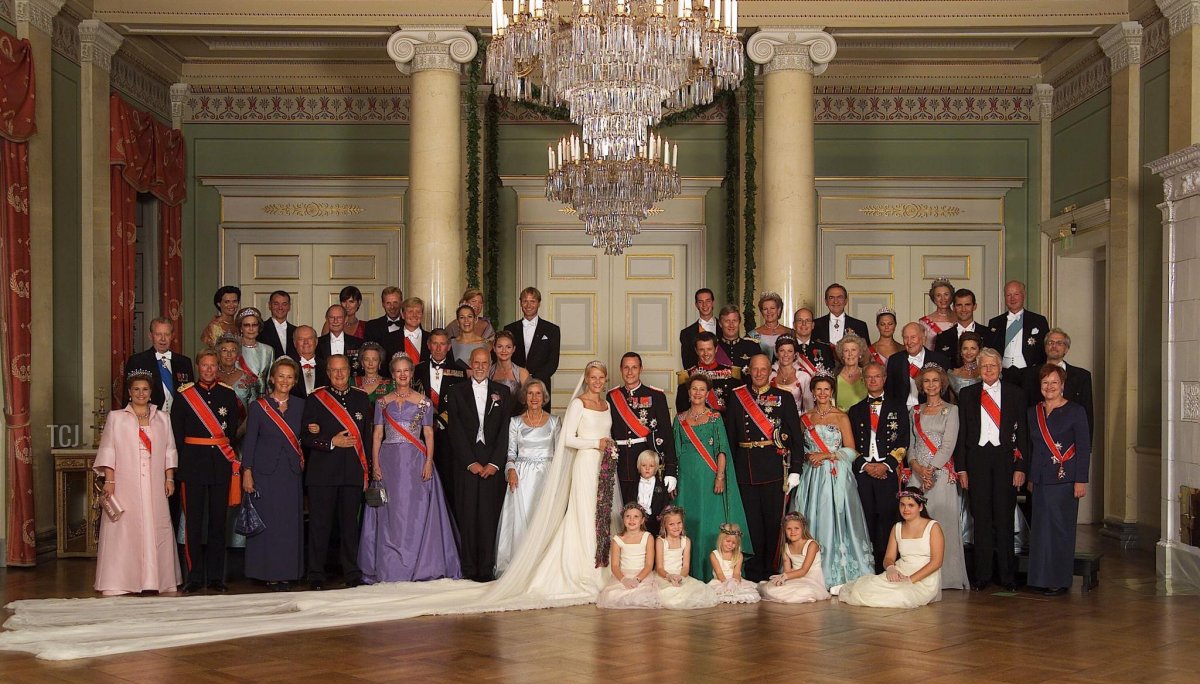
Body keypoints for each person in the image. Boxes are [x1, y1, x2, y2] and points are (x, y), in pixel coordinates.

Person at [359, 355, 461, 583]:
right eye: (398, 371)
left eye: (406, 371)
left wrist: (428, 462)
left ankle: (419, 563)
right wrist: (375, 464)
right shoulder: (382, 402)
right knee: (391, 513)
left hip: (416, 461)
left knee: (415, 513)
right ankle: (390, 566)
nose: (402, 375)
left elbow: (429, 434)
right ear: (392, 375)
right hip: (389, 461)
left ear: (412, 373)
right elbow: (377, 434)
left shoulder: (424, 402)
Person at [93, 369, 182, 596]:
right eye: (136, 390)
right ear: (129, 393)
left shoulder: (162, 418)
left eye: (144, 389)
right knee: (124, 528)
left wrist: (169, 477)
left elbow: (170, 450)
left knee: (157, 526)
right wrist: (109, 480)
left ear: (151, 392)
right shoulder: (116, 418)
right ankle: (120, 581)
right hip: (125, 481)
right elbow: (108, 450)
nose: (140, 394)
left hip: (154, 481)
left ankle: (155, 580)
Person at [957, 348, 1029, 592]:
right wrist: (962, 469)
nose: (988, 370)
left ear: (1000, 368)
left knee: (1004, 517)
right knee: (982, 519)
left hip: (1005, 460)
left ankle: (1008, 575)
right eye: (984, 366)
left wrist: (1020, 467)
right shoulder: (967, 394)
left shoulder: (1015, 394)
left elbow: (1024, 435)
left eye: (993, 366)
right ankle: (983, 575)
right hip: (977, 459)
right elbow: (962, 435)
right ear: (978, 368)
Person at [724, 354, 801, 582]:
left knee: (773, 523)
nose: (758, 374)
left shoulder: (783, 398)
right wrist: (728, 471)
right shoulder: (738, 397)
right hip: (744, 469)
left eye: (763, 369)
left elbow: (796, 438)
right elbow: (730, 438)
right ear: (749, 371)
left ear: (771, 371)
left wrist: (796, 468)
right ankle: (754, 572)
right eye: (755, 369)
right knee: (751, 524)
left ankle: (771, 569)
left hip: (773, 469)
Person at [792, 374, 874, 587]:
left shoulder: (841, 417)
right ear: (812, 392)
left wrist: (827, 455)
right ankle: (810, 568)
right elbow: (801, 448)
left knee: (834, 517)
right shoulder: (805, 418)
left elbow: (852, 450)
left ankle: (836, 571)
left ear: (832, 392)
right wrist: (810, 455)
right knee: (812, 517)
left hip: (835, 473)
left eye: (826, 390)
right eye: (818, 389)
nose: (822, 394)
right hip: (812, 475)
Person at [300, 354, 373, 590]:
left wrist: (368, 472)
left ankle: (351, 572)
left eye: (343, 370)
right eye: (334, 371)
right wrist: (331, 441)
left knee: (350, 527)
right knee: (320, 526)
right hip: (322, 474)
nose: (339, 374)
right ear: (328, 373)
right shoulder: (315, 399)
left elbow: (368, 438)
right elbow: (306, 437)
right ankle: (315, 574)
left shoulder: (362, 399)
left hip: (352, 472)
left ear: (349, 372)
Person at [171, 349, 241, 593]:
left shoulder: (228, 395)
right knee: (193, 524)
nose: (209, 369)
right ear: (198, 367)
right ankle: (194, 576)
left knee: (218, 525)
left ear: (218, 368)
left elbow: (231, 432)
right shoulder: (185, 396)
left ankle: (215, 578)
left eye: (213, 366)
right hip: (192, 467)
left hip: (220, 466)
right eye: (205, 365)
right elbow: (177, 435)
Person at [674, 373, 752, 581]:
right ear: (688, 393)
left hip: (710, 478)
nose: (697, 393)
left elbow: (722, 449)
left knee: (710, 522)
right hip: (687, 479)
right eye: (694, 389)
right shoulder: (680, 419)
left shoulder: (715, 418)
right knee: (689, 523)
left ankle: (713, 573)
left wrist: (719, 476)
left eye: (701, 389)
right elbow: (676, 451)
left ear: (707, 393)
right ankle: (689, 572)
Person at [446, 347, 512, 581]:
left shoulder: (503, 392)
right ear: (470, 364)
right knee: (467, 516)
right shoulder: (456, 392)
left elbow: (506, 431)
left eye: (485, 362)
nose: (481, 366)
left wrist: (494, 463)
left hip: (491, 465)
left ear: (490, 364)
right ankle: (468, 569)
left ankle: (486, 568)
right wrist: (470, 462)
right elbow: (454, 430)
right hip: (467, 464)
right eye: (477, 362)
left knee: (488, 516)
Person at [240, 357, 306, 590]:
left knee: (288, 524)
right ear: (272, 378)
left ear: (295, 380)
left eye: (290, 377)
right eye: (281, 376)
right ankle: (266, 572)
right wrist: (247, 472)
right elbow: (250, 442)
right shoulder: (258, 407)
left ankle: (287, 572)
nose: (285, 381)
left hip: (290, 473)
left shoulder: (301, 406)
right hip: (264, 472)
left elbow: (305, 437)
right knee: (268, 524)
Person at [1027, 364, 1091, 596]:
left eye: (1054, 382)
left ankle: (1059, 580)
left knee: (1060, 530)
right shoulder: (1033, 412)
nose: (1049, 387)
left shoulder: (1076, 411)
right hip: (1041, 479)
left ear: (1062, 385)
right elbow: (1032, 448)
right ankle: (1040, 578)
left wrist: (1081, 480)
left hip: (1065, 478)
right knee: (1041, 530)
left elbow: (1084, 448)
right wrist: (1032, 477)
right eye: (1045, 383)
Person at [908, 365, 968, 590]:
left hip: (940, 476)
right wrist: (917, 467)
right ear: (921, 385)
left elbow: (949, 445)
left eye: (935, 381)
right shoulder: (914, 411)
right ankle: (919, 575)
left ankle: (947, 577)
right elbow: (911, 445)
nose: (931, 385)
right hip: (917, 476)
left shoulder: (951, 410)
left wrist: (930, 470)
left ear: (942, 384)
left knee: (942, 524)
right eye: (927, 381)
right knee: (916, 525)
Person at [833, 488, 945, 608]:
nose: (905, 509)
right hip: (900, 571)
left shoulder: (933, 527)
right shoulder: (897, 527)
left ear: (921, 507)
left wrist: (910, 580)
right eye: (902, 505)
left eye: (911, 505)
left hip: (924, 578)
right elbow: (889, 558)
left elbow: (936, 562)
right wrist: (891, 569)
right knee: (867, 588)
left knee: (901, 595)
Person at [847, 362, 909, 572]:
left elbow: (903, 441)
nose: (873, 380)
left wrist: (887, 464)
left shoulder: (898, 407)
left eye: (877, 377)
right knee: (865, 518)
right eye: (869, 377)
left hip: (887, 472)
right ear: (863, 380)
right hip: (863, 473)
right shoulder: (855, 411)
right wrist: (864, 465)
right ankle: (868, 565)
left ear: (884, 379)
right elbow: (849, 444)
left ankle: (888, 565)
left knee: (888, 518)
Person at [495, 379, 559, 576]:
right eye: (530, 393)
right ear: (524, 397)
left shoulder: (555, 421)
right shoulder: (515, 422)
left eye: (538, 393)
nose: (534, 398)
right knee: (521, 522)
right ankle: (518, 566)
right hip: (522, 477)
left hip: (547, 475)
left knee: (544, 520)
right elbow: (510, 453)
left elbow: (559, 455)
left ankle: (542, 567)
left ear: (544, 397)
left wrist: (556, 480)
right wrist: (511, 470)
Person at [609, 352, 676, 506]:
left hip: (646, 464)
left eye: (634, 367)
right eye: (626, 367)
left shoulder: (656, 396)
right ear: (620, 369)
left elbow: (667, 434)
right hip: (620, 464)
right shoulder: (612, 397)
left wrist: (671, 470)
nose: (630, 372)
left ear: (641, 369)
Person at [414, 329, 466, 507]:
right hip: (420, 433)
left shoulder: (460, 372)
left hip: (448, 434)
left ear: (448, 347)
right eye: (434, 343)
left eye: (442, 344)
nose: (438, 348)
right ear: (428, 345)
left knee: (446, 480)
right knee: (421, 478)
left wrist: (441, 421)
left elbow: (461, 404)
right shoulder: (416, 369)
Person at [1023, 328, 1094, 435]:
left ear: (1066, 349)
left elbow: (1087, 414)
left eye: (1059, 343)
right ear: (1045, 347)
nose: (1054, 346)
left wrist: (1086, 448)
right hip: (1039, 439)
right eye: (1050, 342)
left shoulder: (1082, 376)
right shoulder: (1029, 374)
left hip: (1070, 441)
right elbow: (1025, 411)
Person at [596, 503, 660, 609]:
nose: (631, 520)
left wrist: (637, 579)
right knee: (613, 596)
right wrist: (624, 580)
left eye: (636, 516)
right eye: (627, 516)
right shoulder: (618, 539)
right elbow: (615, 566)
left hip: (642, 575)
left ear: (642, 520)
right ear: (623, 519)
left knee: (643, 595)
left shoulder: (648, 537)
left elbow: (649, 564)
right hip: (623, 575)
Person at [123, 317, 194, 413]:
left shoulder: (184, 362)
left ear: (172, 336)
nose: (163, 339)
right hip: (148, 419)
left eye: (167, 334)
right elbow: (127, 396)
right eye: (158, 334)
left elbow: (191, 396)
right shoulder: (137, 361)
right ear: (150, 336)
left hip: (178, 421)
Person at [986, 280, 1049, 386]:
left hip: (1030, 374)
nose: (1012, 298)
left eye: (1016, 294)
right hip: (1003, 374)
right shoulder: (995, 322)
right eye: (1008, 295)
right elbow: (990, 350)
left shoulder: (1038, 320)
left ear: (1023, 296)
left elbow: (1045, 350)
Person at [654, 506, 719, 609]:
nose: (676, 527)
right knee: (669, 594)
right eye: (671, 524)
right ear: (664, 525)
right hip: (664, 576)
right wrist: (670, 577)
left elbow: (685, 566)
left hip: (681, 575)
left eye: (679, 523)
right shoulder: (661, 541)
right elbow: (660, 568)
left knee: (695, 593)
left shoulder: (686, 541)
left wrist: (680, 577)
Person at [504, 286, 561, 402]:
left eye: (532, 301)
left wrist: (532, 380)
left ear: (539, 303)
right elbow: (505, 356)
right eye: (525, 301)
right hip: (514, 384)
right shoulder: (509, 329)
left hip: (541, 385)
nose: (528, 305)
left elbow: (553, 362)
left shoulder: (552, 330)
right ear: (520, 303)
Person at [758, 513, 830, 604]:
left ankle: (806, 595)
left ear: (803, 529)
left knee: (804, 591)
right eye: (789, 529)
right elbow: (787, 570)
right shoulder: (786, 547)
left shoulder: (812, 545)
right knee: (769, 588)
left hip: (811, 579)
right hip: (795, 577)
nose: (792, 532)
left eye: (796, 528)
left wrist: (786, 576)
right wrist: (783, 577)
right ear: (784, 530)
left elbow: (804, 570)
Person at [884, 322, 950, 408]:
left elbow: (944, 392)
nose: (909, 342)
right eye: (905, 338)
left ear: (923, 339)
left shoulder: (940, 360)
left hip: (929, 410)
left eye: (913, 337)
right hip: (902, 412)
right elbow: (889, 392)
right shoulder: (895, 360)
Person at [675, 332, 742, 413]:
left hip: (724, 423)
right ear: (696, 351)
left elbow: (737, 408)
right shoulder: (687, 376)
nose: (706, 354)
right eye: (701, 350)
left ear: (716, 349)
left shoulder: (731, 373)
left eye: (709, 349)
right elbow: (682, 410)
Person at [708, 523, 760, 603]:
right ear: (721, 539)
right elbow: (719, 573)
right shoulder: (714, 555)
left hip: (735, 580)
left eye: (733, 543)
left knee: (746, 593)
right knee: (717, 594)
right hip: (721, 580)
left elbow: (736, 573)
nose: (730, 545)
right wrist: (726, 584)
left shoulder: (739, 556)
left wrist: (734, 583)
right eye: (728, 541)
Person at [215, 334, 259, 420]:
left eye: (233, 350)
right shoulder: (211, 376)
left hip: (242, 428)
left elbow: (253, 411)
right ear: (218, 354)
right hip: (214, 427)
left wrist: (240, 432)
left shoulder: (248, 378)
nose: (229, 354)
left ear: (238, 354)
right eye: (224, 350)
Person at [933, 288, 982, 366]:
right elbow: (939, 367)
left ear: (974, 306)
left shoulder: (988, 334)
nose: (963, 309)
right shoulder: (943, 337)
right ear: (953, 308)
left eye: (967, 305)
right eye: (959, 305)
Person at [770, 336, 815, 414]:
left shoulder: (803, 376)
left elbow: (809, 407)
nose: (786, 354)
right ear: (777, 353)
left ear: (795, 354)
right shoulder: (770, 375)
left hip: (796, 420)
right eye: (782, 350)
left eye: (790, 351)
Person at [236, 307, 274, 396]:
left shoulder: (268, 350)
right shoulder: (234, 349)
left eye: (254, 325)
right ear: (241, 328)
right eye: (246, 325)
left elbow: (270, 381)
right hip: (239, 397)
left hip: (261, 397)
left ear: (259, 327)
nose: (251, 328)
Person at [632, 452, 670, 538]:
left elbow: (665, 504)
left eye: (651, 466)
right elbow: (630, 503)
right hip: (636, 524)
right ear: (638, 467)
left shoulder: (661, 485)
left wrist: (661, 517)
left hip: (655, 524)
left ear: (656, 467)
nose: (647, 468)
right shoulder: (633, 485)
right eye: (644, 465)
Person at [714, 304, 762, 373]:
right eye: (727, 321)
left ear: (739, 322)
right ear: (720, 324)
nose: (731, 325)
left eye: (734, 321)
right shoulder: (714, 347)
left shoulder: (752, 346)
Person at [363, 286, 405, 362]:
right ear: (383, 304)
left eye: (395, 302)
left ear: (401, 303)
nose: (392, 307)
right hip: (381, 372)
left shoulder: (409, 325)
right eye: (388, 303)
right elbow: (368, 355)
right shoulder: (372, 326)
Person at [747, 291, 793, 361]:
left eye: (772, 308)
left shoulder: (790, 333)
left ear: (779, 310)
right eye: (765, 309)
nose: (769, 312)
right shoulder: (753, 335)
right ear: (762, 312)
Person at [679, 288, 718, 370]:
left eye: (708, 301)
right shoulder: (686, 333)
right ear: (696, 305)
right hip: (698, 378)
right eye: (700, 302)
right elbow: (687, 363)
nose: (704, 305)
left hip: (723, 377)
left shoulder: (724, 328)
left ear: (713, 303)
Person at [317, 305, 363, 373]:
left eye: (339, 318)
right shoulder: (317, 343)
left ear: (346, 319)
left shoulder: (358, 343)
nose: (335, 321)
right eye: (332, 317)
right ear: (327, 319)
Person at [451, 303, 491, 371]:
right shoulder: (451, 344)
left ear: (475, 320)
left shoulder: (486, 344)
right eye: (462, 317)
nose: (466, 320)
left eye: (469, 316)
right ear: (457, 322)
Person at [259, 290, 297, 361]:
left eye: (284, 304)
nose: (280, 307)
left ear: (289, 306)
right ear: (270, 305)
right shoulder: (260, 329)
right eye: (276, 304)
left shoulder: (296, 331)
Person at [289, 325, 326, 398]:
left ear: (316, 341)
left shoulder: (326, 366)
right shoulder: (288, 365)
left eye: (310, 338)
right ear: (294, 343)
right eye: (301, 339)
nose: (306, 342)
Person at [489, 330, 530, 395]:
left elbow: (528, 399)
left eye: (508, 347)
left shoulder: (522, 373)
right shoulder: (488, 372)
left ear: (513, 349)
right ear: (494, 348)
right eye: (500, 347)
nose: (504, 351)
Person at [919, 278, 956, 348]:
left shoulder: (960, 319)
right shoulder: (925, 322)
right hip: (932, 358)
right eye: (938, 295)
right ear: (934, 298)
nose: (943, 299)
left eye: (946, 294)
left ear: (951, 297)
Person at [835, 333, 868, 411]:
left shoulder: (867, 374)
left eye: (853, 350)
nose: (850, 354)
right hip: (839, 419)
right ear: (842, 355)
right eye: (846, 350)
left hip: (862, 419)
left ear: (860, 353)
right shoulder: (834, 375)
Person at [200, 285, 240, 349]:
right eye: (227, 302)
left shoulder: (239, 325)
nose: (231, 305)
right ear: (219, 304)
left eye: (234, 301)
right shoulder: (213, 327)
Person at [354, 341, 393, 406]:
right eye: (366, 359)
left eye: (374, 359)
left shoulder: (390, 384)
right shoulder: (352, 382)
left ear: (380, 362)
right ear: (362, 363)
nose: (370, 364)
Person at [949, 331, 985, 397]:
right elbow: (952, 403)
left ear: (979, 351)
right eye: (965, 348)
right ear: (960, 352)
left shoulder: (987, 372)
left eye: (973, 348)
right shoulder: (952, 375)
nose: (969, 352)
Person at [398, 297, 431, 365]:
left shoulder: (430, 338)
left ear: (422, 315)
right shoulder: (389, 338)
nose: (414, 315)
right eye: (410, 311)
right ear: (402, 315)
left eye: (418, 312)